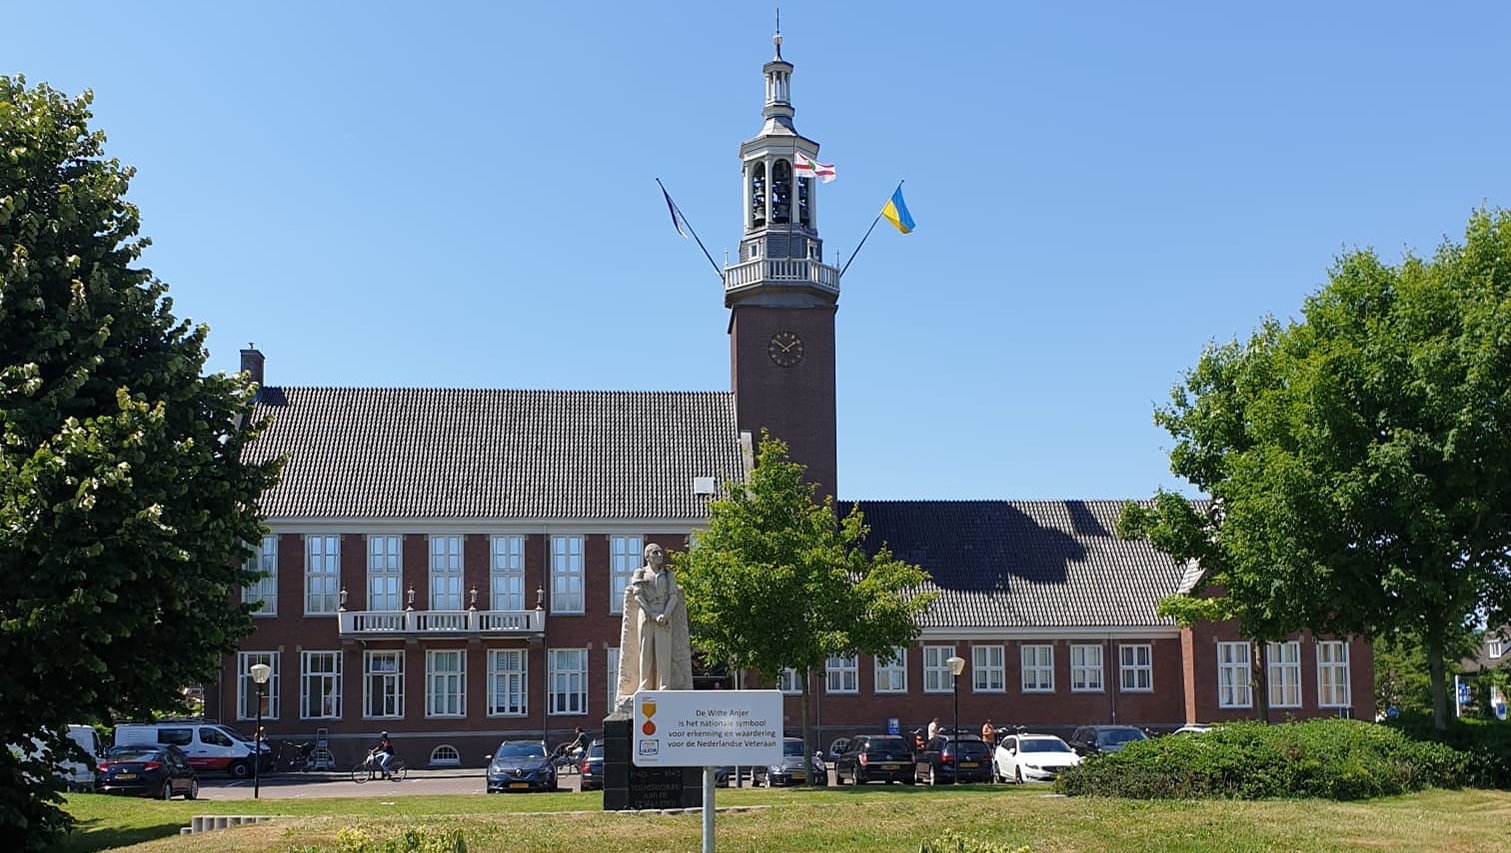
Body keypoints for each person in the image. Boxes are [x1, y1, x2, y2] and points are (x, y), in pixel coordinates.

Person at [632, 543, 692, 692]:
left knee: (663, 653)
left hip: (664, 615)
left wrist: (665, 615)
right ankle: (644, 684)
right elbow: (638, 596)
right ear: (647, 556)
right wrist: (652, 614)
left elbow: (673, 595)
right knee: (645, 652)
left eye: (660, 552)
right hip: (647, 615)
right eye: (655, 553)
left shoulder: (668, 574)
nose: (660, 555)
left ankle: (664, 686)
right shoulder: (640, 573)